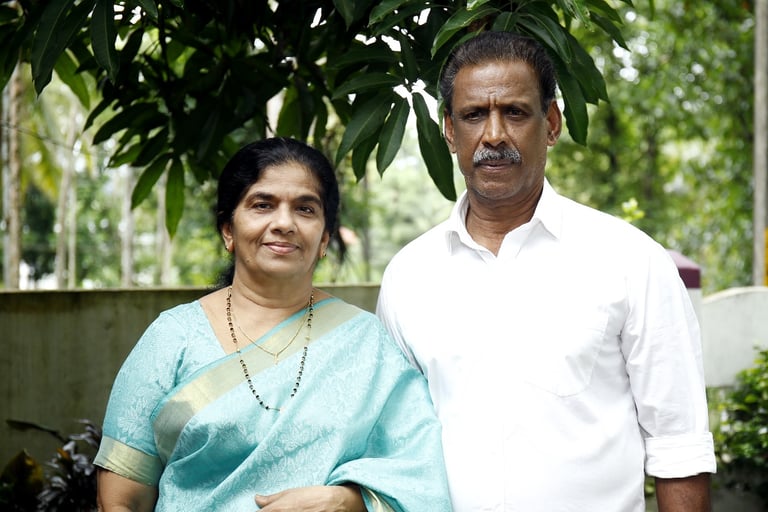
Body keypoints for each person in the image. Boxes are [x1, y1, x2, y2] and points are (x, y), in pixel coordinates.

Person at [376, 31, 716, 511]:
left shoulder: (630, 260)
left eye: (515, 112)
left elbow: (678, 444)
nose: (494, 135)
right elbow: (397, 441)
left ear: (551, 123)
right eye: (474, 115)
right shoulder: (409, 277)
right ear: (450, 131)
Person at [94, 137, 452, 512]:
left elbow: (420, 477)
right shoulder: (171, 338)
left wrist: (346, 501)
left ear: (325, 238)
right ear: (228, 229)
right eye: (262, 205)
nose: (284, 223)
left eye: (305, 209)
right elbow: (119, 501)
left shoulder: (366, 343)